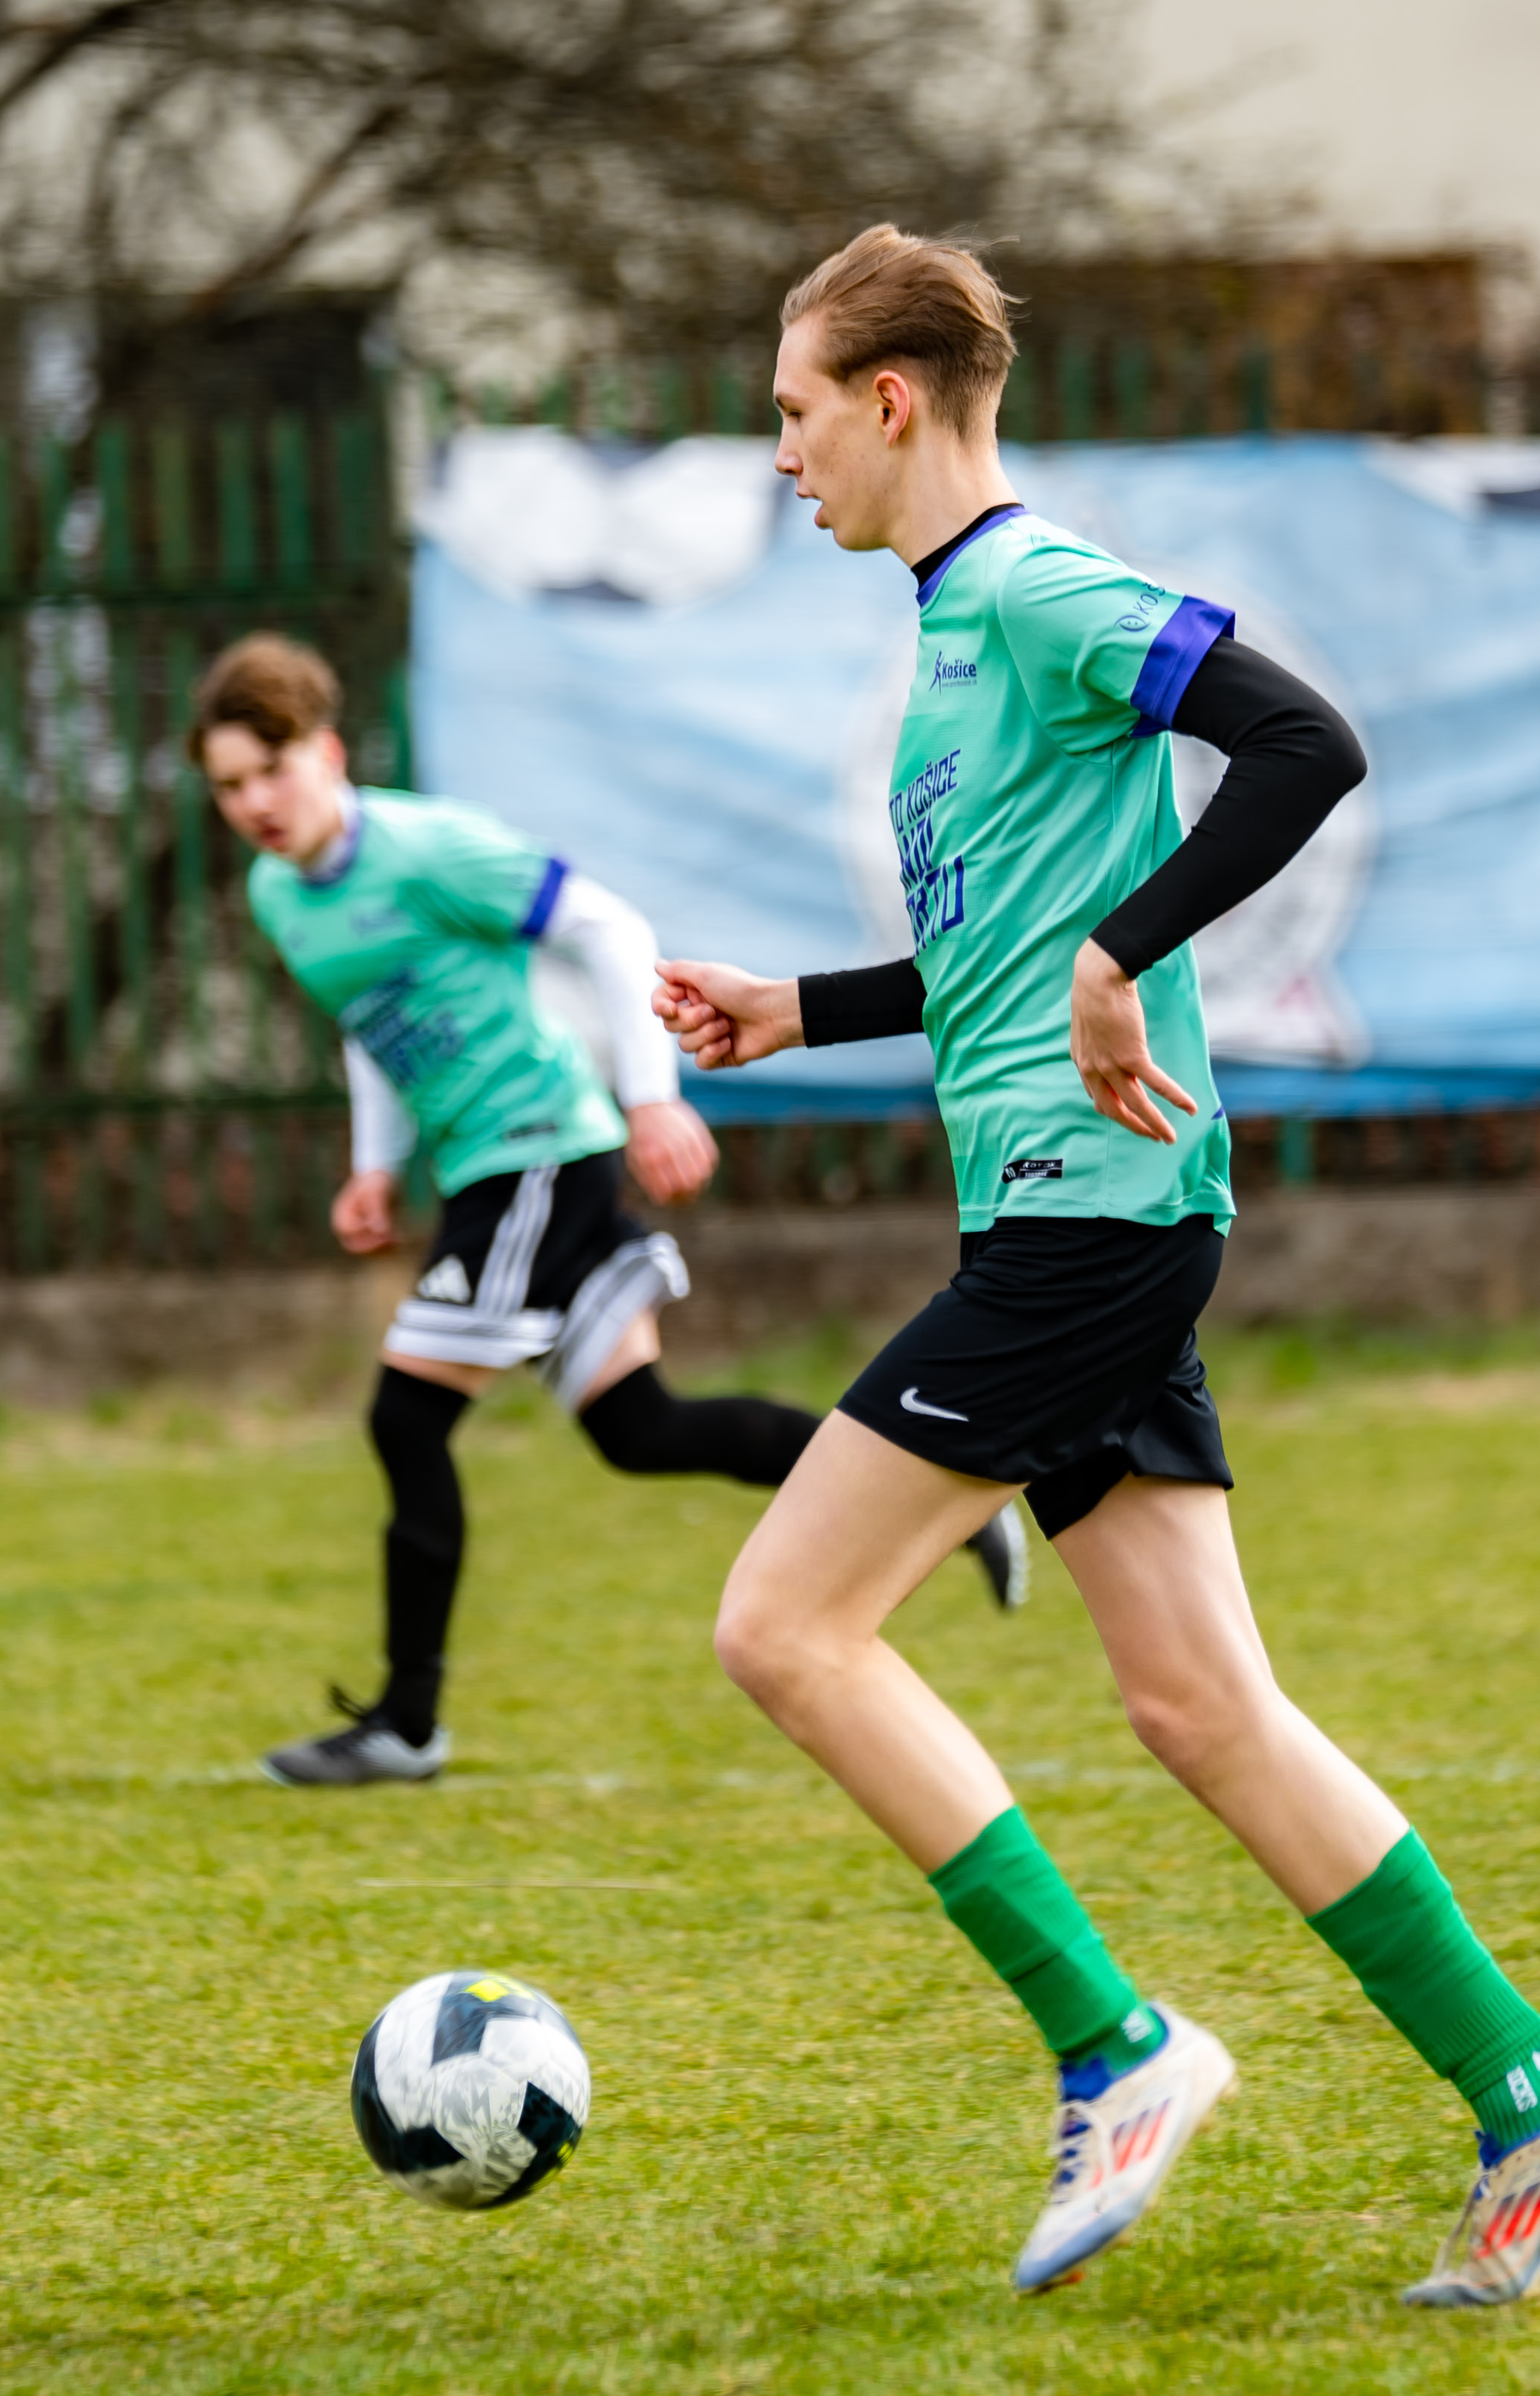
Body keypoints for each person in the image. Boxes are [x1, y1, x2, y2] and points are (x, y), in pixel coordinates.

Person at [652, 228, 1540, 2307]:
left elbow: (1304, 742)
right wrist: (799, 1012)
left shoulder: (1030, 586)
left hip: (1087, 1228)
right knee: (1202, 1703)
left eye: (795, 411)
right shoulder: (953, 627)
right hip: (1084, 1213)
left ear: (894, 401)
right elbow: (1011, 940)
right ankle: (1535, 2094)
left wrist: (1131, 956)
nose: (783, 456)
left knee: (785, 1627)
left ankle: (1118, 2051)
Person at [199, 633, 1023, 1790]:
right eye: (229, 787)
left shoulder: (429, 850)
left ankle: (407, 1720)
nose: (254, 804)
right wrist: (374, 1164)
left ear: (327, 752)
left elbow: (607, 927)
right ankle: (945, 1496)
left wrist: (651, 1097)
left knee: (404, 1420)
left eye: (270, 771)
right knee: (643, 1430)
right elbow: (371, 1022)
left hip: (540, 1155)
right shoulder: (281, 896)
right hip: (498, 1172)